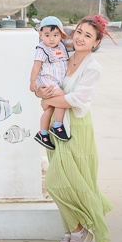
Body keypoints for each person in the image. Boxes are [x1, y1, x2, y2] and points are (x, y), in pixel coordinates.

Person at [36, 15, 115, 242]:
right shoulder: (62, 58)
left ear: (96, 42)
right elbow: (44, 86)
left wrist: (48, 99)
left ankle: (81, 230)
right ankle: (72, 231)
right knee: (63, 181)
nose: (80, 37)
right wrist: (42, 92)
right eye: (79, 31)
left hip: (76, 129)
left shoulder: (93, 68)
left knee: (57, 182)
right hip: (54, 127)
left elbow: (76, 99)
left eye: (88, 35)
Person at [30, 16, 71, 150]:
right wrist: (32, 82)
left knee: (51, 108)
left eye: (55, 35)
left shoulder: (61, 46)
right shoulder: (41, 49)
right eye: (47, 35)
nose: (51, 39)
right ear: (40, 35)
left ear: (61, 35)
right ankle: (57, 125)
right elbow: (36, 66)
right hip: (47, 82)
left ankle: (42, 133)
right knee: (62, 97)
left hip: (56, 82)